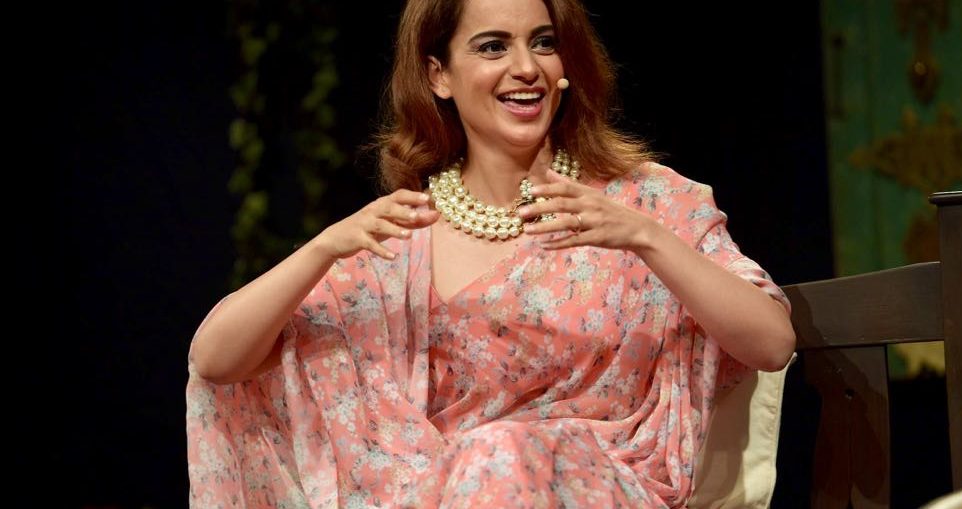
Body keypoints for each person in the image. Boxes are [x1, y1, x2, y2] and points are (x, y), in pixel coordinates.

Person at [186, 0, 796, 507]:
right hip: (448, 492)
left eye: (543, 43)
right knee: (489, 458)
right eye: (493, 47)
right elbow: (214, 362)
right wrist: (321, 249)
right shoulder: (404, 239)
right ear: (439, 75)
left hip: (604, 485)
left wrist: (645, 237)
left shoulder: (645, 201)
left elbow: (771, 343)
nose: (526, 68)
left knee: (500, 451)